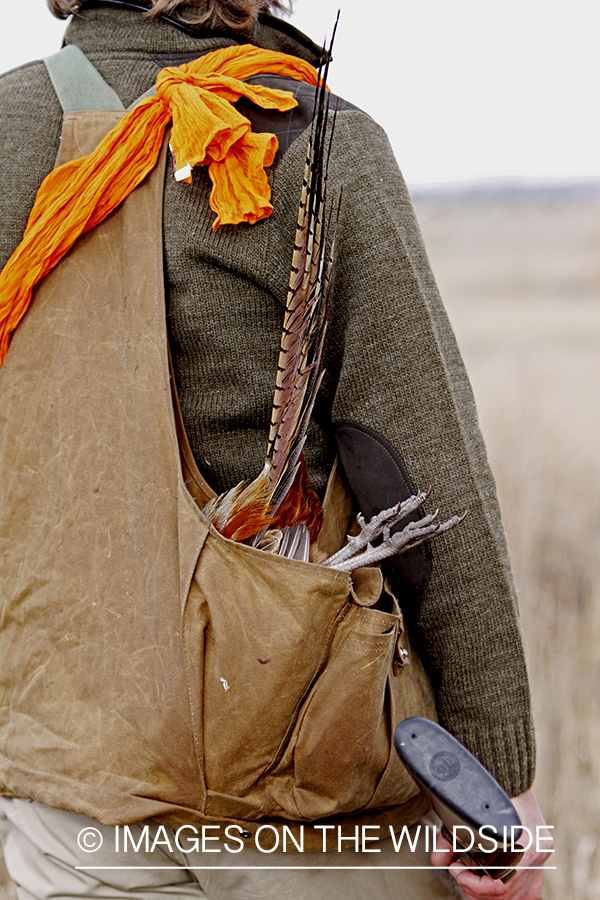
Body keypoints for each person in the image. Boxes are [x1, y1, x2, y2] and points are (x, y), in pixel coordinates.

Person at [0, 0, 552, 897]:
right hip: (296, 797)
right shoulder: (313, 140)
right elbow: (416, 463)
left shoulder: (7, 128)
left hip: (70, 786)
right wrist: (498, 776)